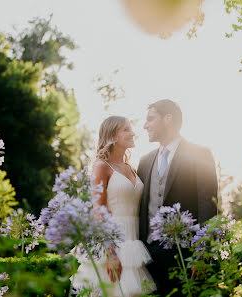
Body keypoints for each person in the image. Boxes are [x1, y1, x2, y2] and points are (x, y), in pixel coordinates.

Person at [137, 99, 219, 296]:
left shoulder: (200, 153)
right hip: (148, 255)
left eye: (150, 119)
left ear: (168, 119)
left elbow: (208, 206)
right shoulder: (145, 161)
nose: (144, 125)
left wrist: (202, 254)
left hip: (185, 256)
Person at [72, 116, 155, 297]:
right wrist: (110, 253)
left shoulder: (131, 167)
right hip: (112, 244)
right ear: (112, 135)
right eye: (126, 129)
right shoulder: (102, 166)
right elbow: (98, 210)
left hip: (133, 243)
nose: (133, 133)